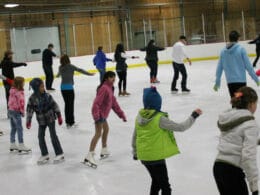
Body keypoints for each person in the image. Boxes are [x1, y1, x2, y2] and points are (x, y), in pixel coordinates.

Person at [132, 86, 202, 195]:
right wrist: (194, 116)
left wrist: (135, 152)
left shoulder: (139, 117)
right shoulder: (159, 119)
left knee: (156, 182)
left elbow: (134, 137)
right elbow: (181, 127)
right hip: (156, 157)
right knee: (165, 187)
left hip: (144, 157)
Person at [213, 86, 259, 195]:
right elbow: (248, 156)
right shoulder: (250, 124)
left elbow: (235, 138)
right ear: (251, 104)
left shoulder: (230, 117)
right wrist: (254, 187)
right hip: (232, 172)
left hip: (218, 167)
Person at [83, 71, 127, 168]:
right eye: (111, 77)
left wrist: (121, 115)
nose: (114, 79)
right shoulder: (104, 88)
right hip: (99, 115)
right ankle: (89, 155)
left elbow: (114, 104)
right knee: (98, 133)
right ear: (106, 78)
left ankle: (104, 149)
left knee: (106, 129)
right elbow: (96, 103)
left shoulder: (110, 88)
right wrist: (96, 116)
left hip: (103, 115)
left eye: (114, 77)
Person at [26, 78, 64, 164]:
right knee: (40, 137)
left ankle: (59, 153)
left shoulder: (47, 96)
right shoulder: (32, 99)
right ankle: (44, 154)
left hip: (50, 118)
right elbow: (29, 110)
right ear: (36, 88)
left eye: (43, 86)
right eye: (42, 87)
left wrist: (59, 115)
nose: (44, 88)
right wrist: (28, 121)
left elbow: (55, 105)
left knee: (53, 136)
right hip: (41, 121)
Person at [214, 30, 260, 98]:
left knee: (235, 102)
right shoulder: (241, 50)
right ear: (238, 39)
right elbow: (249, 66)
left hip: (230, 83)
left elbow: (219, 68)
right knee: (241, 103)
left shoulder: (223, 52)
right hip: (241, 82)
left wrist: (217, 81)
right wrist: (256, 79)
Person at [57, 54, 95, 128]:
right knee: (70, 105)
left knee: (67, 105)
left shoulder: (60, 67)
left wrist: (59, 75)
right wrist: (89, 74)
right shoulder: (70, 66)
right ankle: (71, 122)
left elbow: (58, 75)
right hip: (69, 88)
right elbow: (80, 70)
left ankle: (68, 122)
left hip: (62, 88)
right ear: (68, 59)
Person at [8, 76, 31, 153]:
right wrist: (22, 112)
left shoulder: (12, 90)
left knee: (13, 127)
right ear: (20, 84)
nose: (24, 83)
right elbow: (21, 103)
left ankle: (12, 143)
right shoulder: (19, 92)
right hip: (16, 111)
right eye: (23, 82)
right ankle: (21, 144)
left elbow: (10, 101)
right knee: (19, 128)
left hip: (10, 110)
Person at [0, 50, 27, 114]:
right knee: (11, 96)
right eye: (10, 54)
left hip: (6, 81)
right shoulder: (7, 62)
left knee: (9, 96)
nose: (11, 55)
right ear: (7, 55)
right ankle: (11, 111)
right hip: (9, 81)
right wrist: (22, 63)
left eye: (11, 54)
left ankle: (10, 111)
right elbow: (14, 64)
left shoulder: (3, 61)